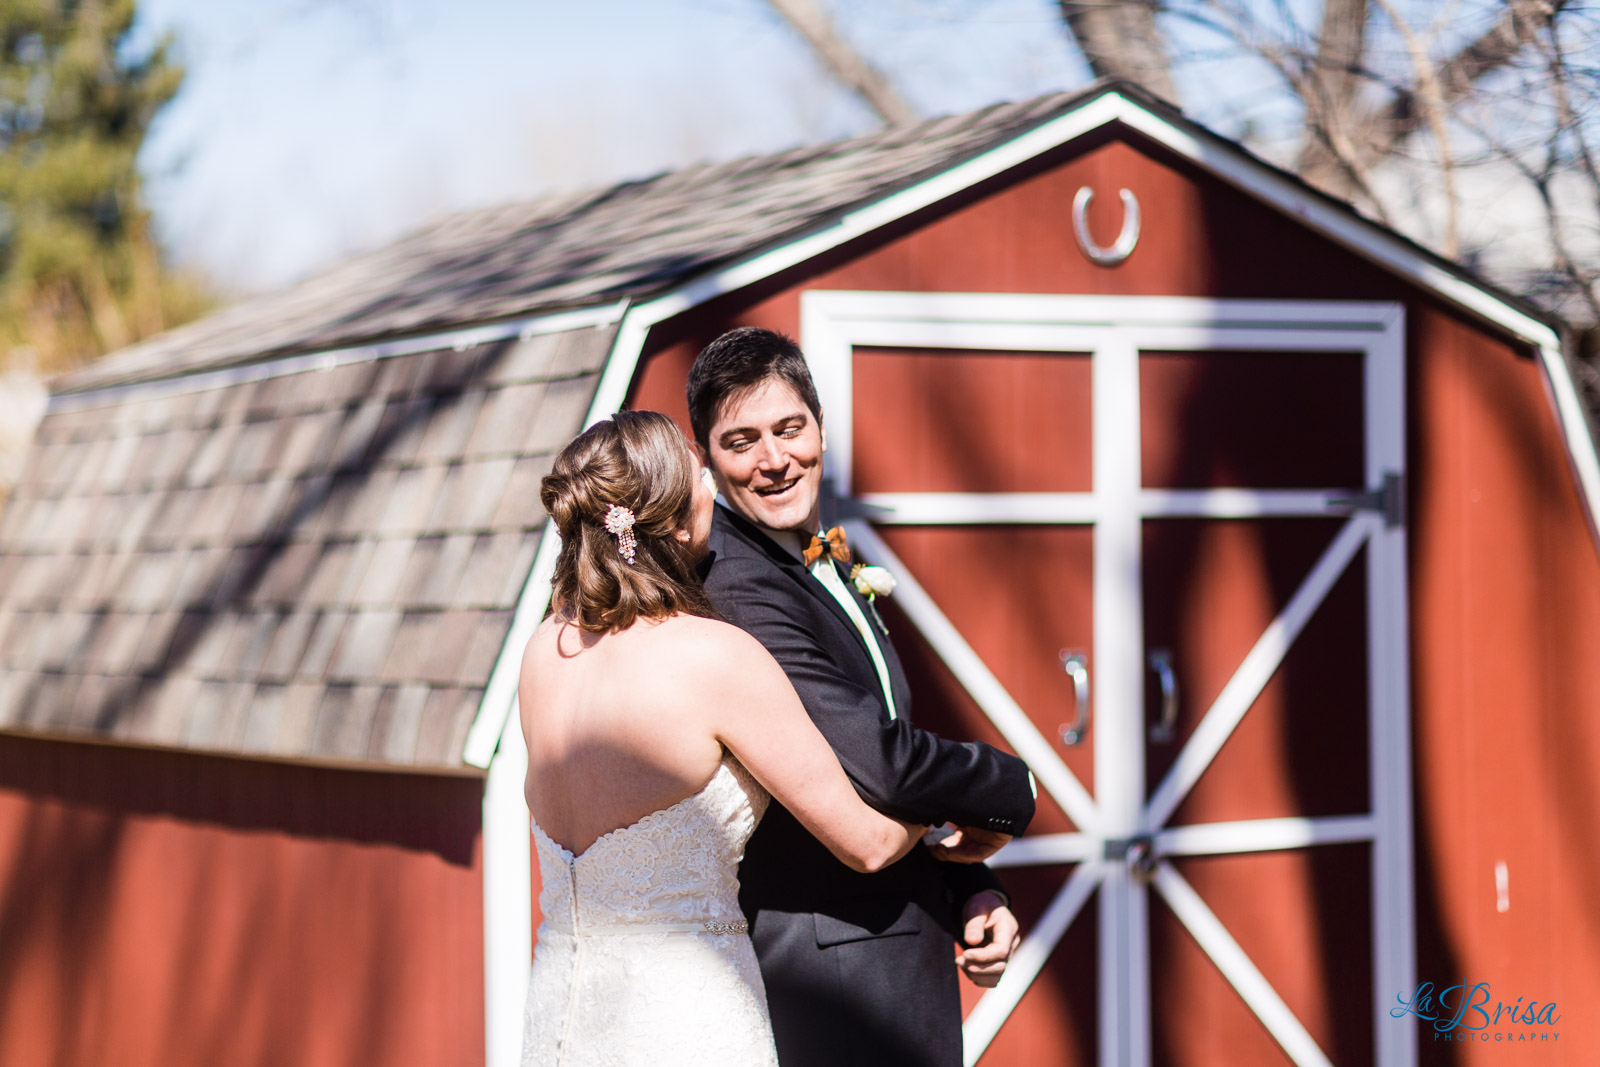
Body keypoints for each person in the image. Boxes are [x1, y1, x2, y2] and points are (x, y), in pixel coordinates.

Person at [518, 410, 979, 1066]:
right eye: (700, 474)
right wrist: (959, 798)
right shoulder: (715, 657)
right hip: (684, 1025)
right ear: (679, 523)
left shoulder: (544, 649)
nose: (712, 485)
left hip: (560, 1021)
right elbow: (870, 843)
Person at [690, 326, 1038, 1067]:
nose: (774, 459)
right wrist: (1015, 784)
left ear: (820, 427)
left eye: (790, 428)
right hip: (837, 976)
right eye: (742, 441)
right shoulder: (738, 587)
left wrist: (970, 887)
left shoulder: (816, 556)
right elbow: (877, 765)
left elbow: (877, 737)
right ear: (708, 459)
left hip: (896, 947)